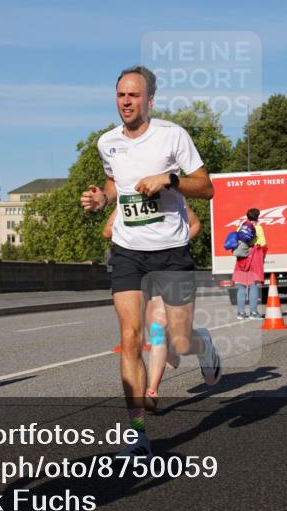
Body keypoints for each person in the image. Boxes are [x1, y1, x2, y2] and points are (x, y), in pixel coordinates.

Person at [80, 65, 219, 457]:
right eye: (121, 95)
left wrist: (170, 180)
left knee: (178, 339)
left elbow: (206, 187)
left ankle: (203, 345)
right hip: (127, 251)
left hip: (171, 252)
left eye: (134, 95)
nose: (126, 101)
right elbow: (114, 184)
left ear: (150, 100)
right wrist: (101, 199)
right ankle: (137, 430)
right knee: (130, 339)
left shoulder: (172, 136)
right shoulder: (107, 142)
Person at [102, 200, 199, 410]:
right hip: (140, 268)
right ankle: (152, 390)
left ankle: (200, 343)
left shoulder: (176, 198)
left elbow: (195, 224)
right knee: (156, 329)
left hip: (169, 264)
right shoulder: (125, 202)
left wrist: (176, 239)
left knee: (179, 339)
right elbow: (107, 231)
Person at [233, 208, 267, 319]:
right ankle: (253, 312)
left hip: (241, 259)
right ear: (257, 217)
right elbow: (263, 243)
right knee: (254, 285)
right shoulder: (258, 228)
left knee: (242, 286)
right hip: (253, 258)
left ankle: (241, 313)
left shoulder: (240, 227)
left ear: (247, 216)